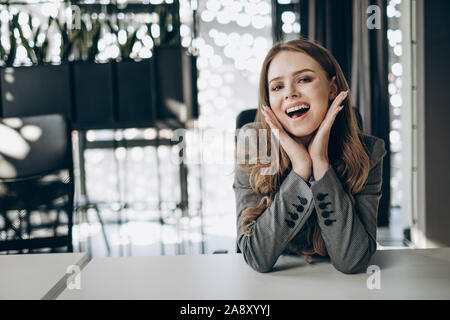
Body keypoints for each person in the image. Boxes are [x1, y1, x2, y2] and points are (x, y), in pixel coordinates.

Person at [233, 38, 386, 274]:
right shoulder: (254, 144)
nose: (290, 93)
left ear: (332, 89)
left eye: (304, 79)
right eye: (277, 87)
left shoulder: (368, 152)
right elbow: (256, 256)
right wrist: (301, 168)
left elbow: (353, 261)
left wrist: (321, 164)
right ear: (269, 102)